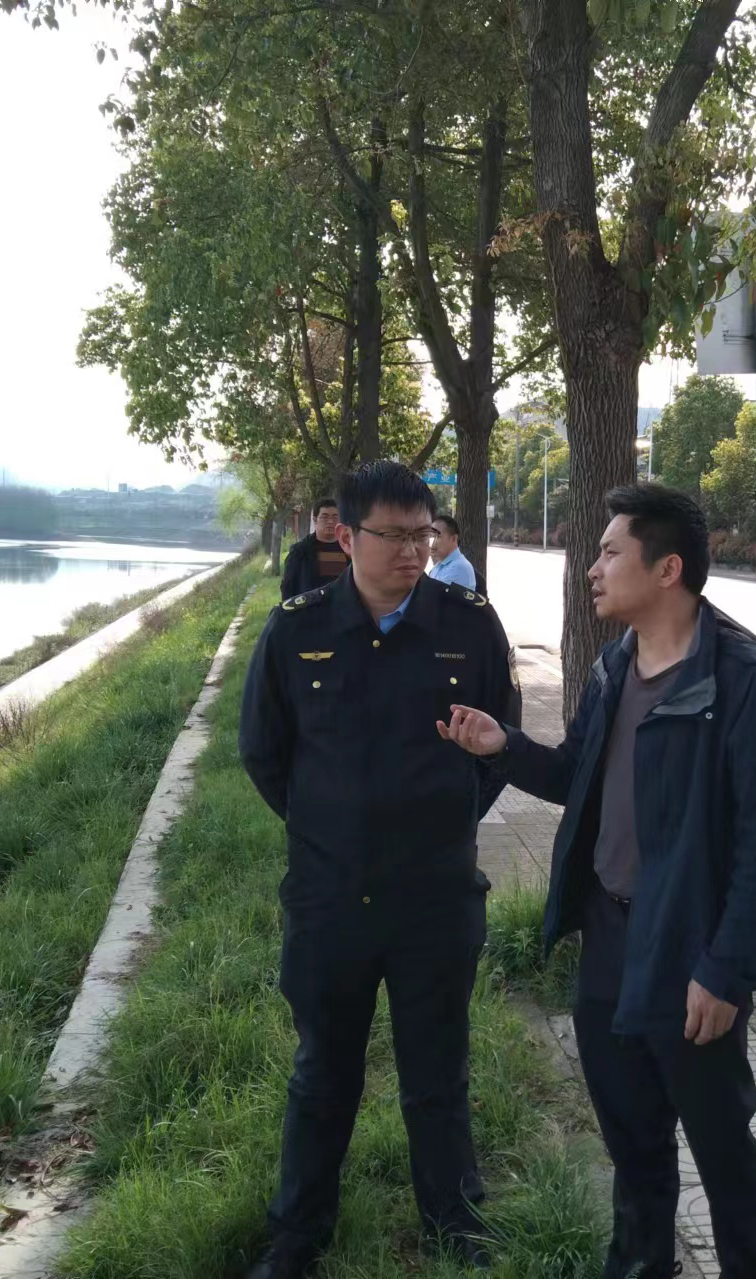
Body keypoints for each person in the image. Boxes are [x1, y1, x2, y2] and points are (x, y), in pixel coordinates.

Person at [438, 483, 756, 1279]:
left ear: (667, 568)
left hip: (690, 951)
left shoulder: (743, 684)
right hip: (609, 938)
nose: (593, 568)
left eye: (610, 552)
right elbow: (577, 772)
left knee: (721, 1149)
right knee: (633, 1143)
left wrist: (727, 970)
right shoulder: (616, 664)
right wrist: (504, 745)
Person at [238, 461, 519, 1279]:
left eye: (422, 534)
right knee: (323, 1070)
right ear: (345, 534)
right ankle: (297, 1232)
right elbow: (264, 752)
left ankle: (455, 1225)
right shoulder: (296, 629)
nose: (411, 552)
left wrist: (441, 823)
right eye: (393, 536)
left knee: (438, 1070)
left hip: (436, 894)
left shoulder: (468, 624)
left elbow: (499, 743)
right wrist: (332, 829)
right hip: (331, 899)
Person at [280, 496, 349, 598]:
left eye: (335, 517)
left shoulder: (349, 550)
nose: (330, 521)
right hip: (310, 605)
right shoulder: (300, 552)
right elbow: (288, 587)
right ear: (315, 520)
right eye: (325, 517)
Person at [427, 514, 478, 590]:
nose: (433, 543)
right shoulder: (440, 565)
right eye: (432, 536)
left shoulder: (459, 568)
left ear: (454, 538)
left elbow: (432, 594)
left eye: (438, 536)